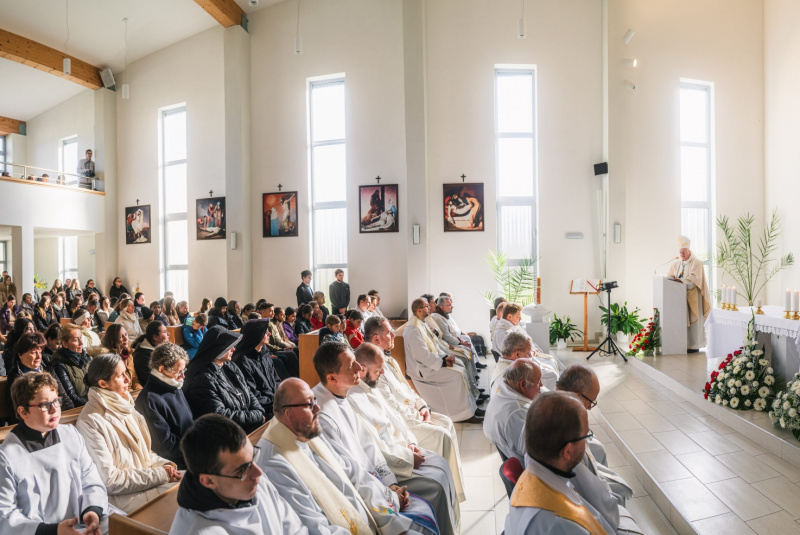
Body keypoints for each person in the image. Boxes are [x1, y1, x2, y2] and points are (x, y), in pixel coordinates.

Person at [258, 378, 438, 535]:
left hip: (365, 514)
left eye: (315, 401)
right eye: (309, 404)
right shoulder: (275, 463)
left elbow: (352, 471)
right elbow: (313, 525)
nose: (317, 408)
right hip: (347, 527)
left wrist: (389, 497)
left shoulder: (305, 432)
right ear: (288, 413)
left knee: (427, 517)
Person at [351, 343, 460, 535]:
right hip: (391, 462)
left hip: (402, 448)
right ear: (362, 369)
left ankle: (453, 526)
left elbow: (394, 418)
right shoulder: (352, 398)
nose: (382, 373)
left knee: (442, 465)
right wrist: (408, 457)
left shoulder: (369, 387)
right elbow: (372, 446)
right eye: (378, 370)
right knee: (436, 485)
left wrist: (411, 442)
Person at [364, 316, 465, 502]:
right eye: (389, 332)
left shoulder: (390, 360)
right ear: (376, 339)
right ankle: (446, 493)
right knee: (442, 436)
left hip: (412, 413)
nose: (394, 334)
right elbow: (390, 406)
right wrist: (416, 416)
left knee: (447, 422)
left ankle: (454, 490)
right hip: (404, 422)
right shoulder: (371, 365)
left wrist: (422, 405)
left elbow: (406, 388)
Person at [0, 372, 108, 535]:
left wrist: (92, 512)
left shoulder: (71, 434)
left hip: (82, 523)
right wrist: (54, 531)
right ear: (23, 412)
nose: (54, 409)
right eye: (45, 405)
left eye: (56, 401)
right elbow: (5, 516)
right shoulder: (8, 456)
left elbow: (90, 480)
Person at [169, 414, 308, 535]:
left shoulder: (255, 481)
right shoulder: (198, 531)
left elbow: (296, 530)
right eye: (242, 470)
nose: (258, 472)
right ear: (208, 481)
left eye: (253, 457)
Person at [76, 354, 180, 512]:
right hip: (126, 499)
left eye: (126, 372)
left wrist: (165, 466)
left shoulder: (126, 408)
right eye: (120, 375)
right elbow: (110, 480)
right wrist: (161, 474)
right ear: (103, 383)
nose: (127, 379)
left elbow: (145, 455)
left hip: (148, 484)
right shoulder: (91, 421)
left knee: (201, 483)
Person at [505, 391, 616, 535]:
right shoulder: (562, 524)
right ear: (568, 451)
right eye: (585, 435)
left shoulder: (532, 475)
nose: (586, 442)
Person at [403, 298, 481, 423]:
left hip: (429, 363)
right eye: (426, 306)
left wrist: (445, 357)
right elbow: (422, 355)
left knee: (460, 367)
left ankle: (472, 408)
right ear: (419, 310)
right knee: (456, 375)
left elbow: (434, 344)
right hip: (422, 369)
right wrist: (443, 362)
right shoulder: (413, 330)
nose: (429, 308)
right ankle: (462, 414)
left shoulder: (421, 324)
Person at [183, 326, 265, 433]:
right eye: (230, 346)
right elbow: (219, 415)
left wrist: (258, 411)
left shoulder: (230, 366)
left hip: (246, 422)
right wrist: (255, 416)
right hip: (227, 433)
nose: (234, 349)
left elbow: (247, 390)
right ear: (218, 348)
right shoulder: (202, 379)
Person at [135, 343, 193, 470]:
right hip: (179, 464)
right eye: (179, 371)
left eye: (184, 370)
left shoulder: (174, 384)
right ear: (161, 369)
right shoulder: (149, 399)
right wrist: (196, 454)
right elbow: (166, 446)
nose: (183, 376)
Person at [484, 359, 542, 463]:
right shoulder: (516, 413)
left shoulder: (502, 389)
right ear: (523, 385)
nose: (541, 385)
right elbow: (539, 453)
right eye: (538, 382)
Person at [5, 331, 75, 413]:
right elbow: (18, 411)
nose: (39, 357)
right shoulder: (15, 378)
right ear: (20, 354)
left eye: (40, 352)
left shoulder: (48, 370)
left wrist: (70, 415)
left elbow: (64, 397)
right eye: (33, 352)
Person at [231, 319, 282, 419]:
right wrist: (277, 404)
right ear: (256, 335)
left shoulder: (264, 353)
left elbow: (276, 380)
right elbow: (253, 395)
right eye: (265, 331)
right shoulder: (242, 361)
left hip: (275, 403)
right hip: (264, 410)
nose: (269, 333)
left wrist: (283, 397)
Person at [668, 235, 711, 352]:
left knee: (694, 324)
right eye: (680, 252)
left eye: (684, 252)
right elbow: (670, 276)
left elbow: (694, 280)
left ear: (689, 251)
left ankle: (694, 345)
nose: (682, 254)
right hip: (680, 297)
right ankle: (683, 344)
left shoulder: (696, 262)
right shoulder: (677, 264)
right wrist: (672, 279)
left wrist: (680, 281)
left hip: (693, 296)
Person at [51, 324, 92, 407]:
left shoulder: (87, 359)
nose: (81, 343)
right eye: (76, 340)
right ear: (65, 344)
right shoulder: (60, 365)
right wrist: (92, 402)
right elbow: (72, 397)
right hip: (80, 409)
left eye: (80, 338)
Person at [101, 323, 140, 389]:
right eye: (120, 336)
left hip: (131, 393)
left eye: (126, 334)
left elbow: (134, 379)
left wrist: (139, 390)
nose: (126, 338)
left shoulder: (128, 354)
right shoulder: (108, 359)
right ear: (113, 340)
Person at [132, 320, 170, 387]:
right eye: (164, 332)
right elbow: (149, 381)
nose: (168, 334)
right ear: (155, 337)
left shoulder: (158, 348)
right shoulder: (142, 356)